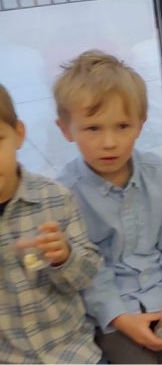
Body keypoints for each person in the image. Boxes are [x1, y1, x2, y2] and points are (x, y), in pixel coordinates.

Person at [54, 51, 162, 363]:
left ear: (141, 124)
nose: (109, 142)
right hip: (112, 314)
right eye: (93, 128)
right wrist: (122, 319)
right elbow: (87, 272)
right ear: (66, 129)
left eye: (122, 126)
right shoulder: (64, 193)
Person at [0, 83, 103, 364]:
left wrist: (65, 257)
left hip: (70, 350)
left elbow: (86, 276)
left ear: (19, 134)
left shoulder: (55, 198)